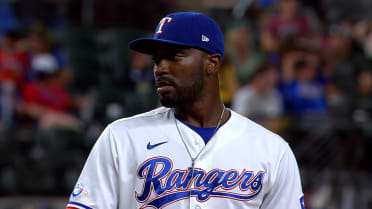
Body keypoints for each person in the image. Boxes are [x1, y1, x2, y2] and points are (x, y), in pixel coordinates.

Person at [66, 12, 305, 209]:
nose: (161, 69)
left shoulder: (272, 151)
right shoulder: (120, 137)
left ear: (212, 64)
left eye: (175, 57)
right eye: (157, 60)